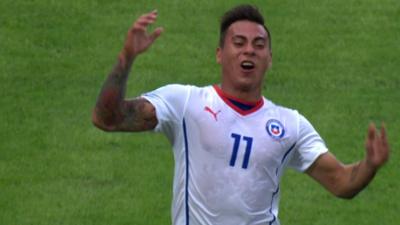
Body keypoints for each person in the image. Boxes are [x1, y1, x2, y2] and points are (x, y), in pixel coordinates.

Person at [92, 5, 390, 225]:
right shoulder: (186, 104)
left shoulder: (290, 125)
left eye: (259, 45)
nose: (249, 51)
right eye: (239, 43)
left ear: (269, 59)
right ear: (219, 53)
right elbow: (109, 118)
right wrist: (126, 58)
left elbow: (341, 181)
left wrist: (369, 165)